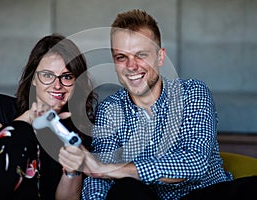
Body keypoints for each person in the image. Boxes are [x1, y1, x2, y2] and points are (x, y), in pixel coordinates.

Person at [80, 9, 257, 200]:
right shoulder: (109, 110)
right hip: (147, 198)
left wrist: (117, 169)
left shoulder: (192, 93)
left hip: (204, 195)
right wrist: (103, 173)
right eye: (121, 57)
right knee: (124, 190)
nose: (131, 66)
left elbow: (194, 163)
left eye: (141, 55)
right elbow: (98, 177)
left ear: (160, 57)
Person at [0, 34, 97, 199]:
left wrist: (72, 170)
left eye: (67, 77)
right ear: (34, 79)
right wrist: (27, 119)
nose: (57, 85)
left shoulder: (78, 134)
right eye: (47, 75)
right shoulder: (2, 106)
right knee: (22, 132)